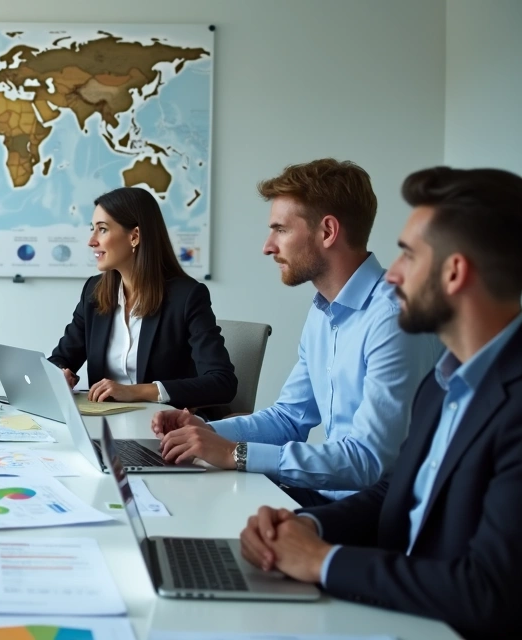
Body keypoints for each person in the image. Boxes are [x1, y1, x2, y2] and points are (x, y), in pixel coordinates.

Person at [238, 167, 522, 639]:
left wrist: (325, 562)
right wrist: (305, 526)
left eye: (408, 255)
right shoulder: (445, 383)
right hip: (395, 603)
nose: (391, 272)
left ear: (454, 273)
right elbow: (396, 493)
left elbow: (489, 592)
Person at [153, 159, 442, 506]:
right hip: (329, 493)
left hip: (379, 509)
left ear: (328, 232)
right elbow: (289, 418)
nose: (268, 246)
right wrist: (203, 431)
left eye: (281, 229)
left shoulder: (393, 320)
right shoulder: (323, 310)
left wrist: (235, 453)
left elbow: (368, 461)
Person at [48, 187, 237, 415]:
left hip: (163, 429)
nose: (91, 241)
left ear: (135, 236)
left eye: (103, 230)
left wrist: (138, 391)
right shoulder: (94, 292)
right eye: (93, 229)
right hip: (104, 425)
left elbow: (222, 383)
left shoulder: (187, 297)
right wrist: (60, 373)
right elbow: (62, 358)